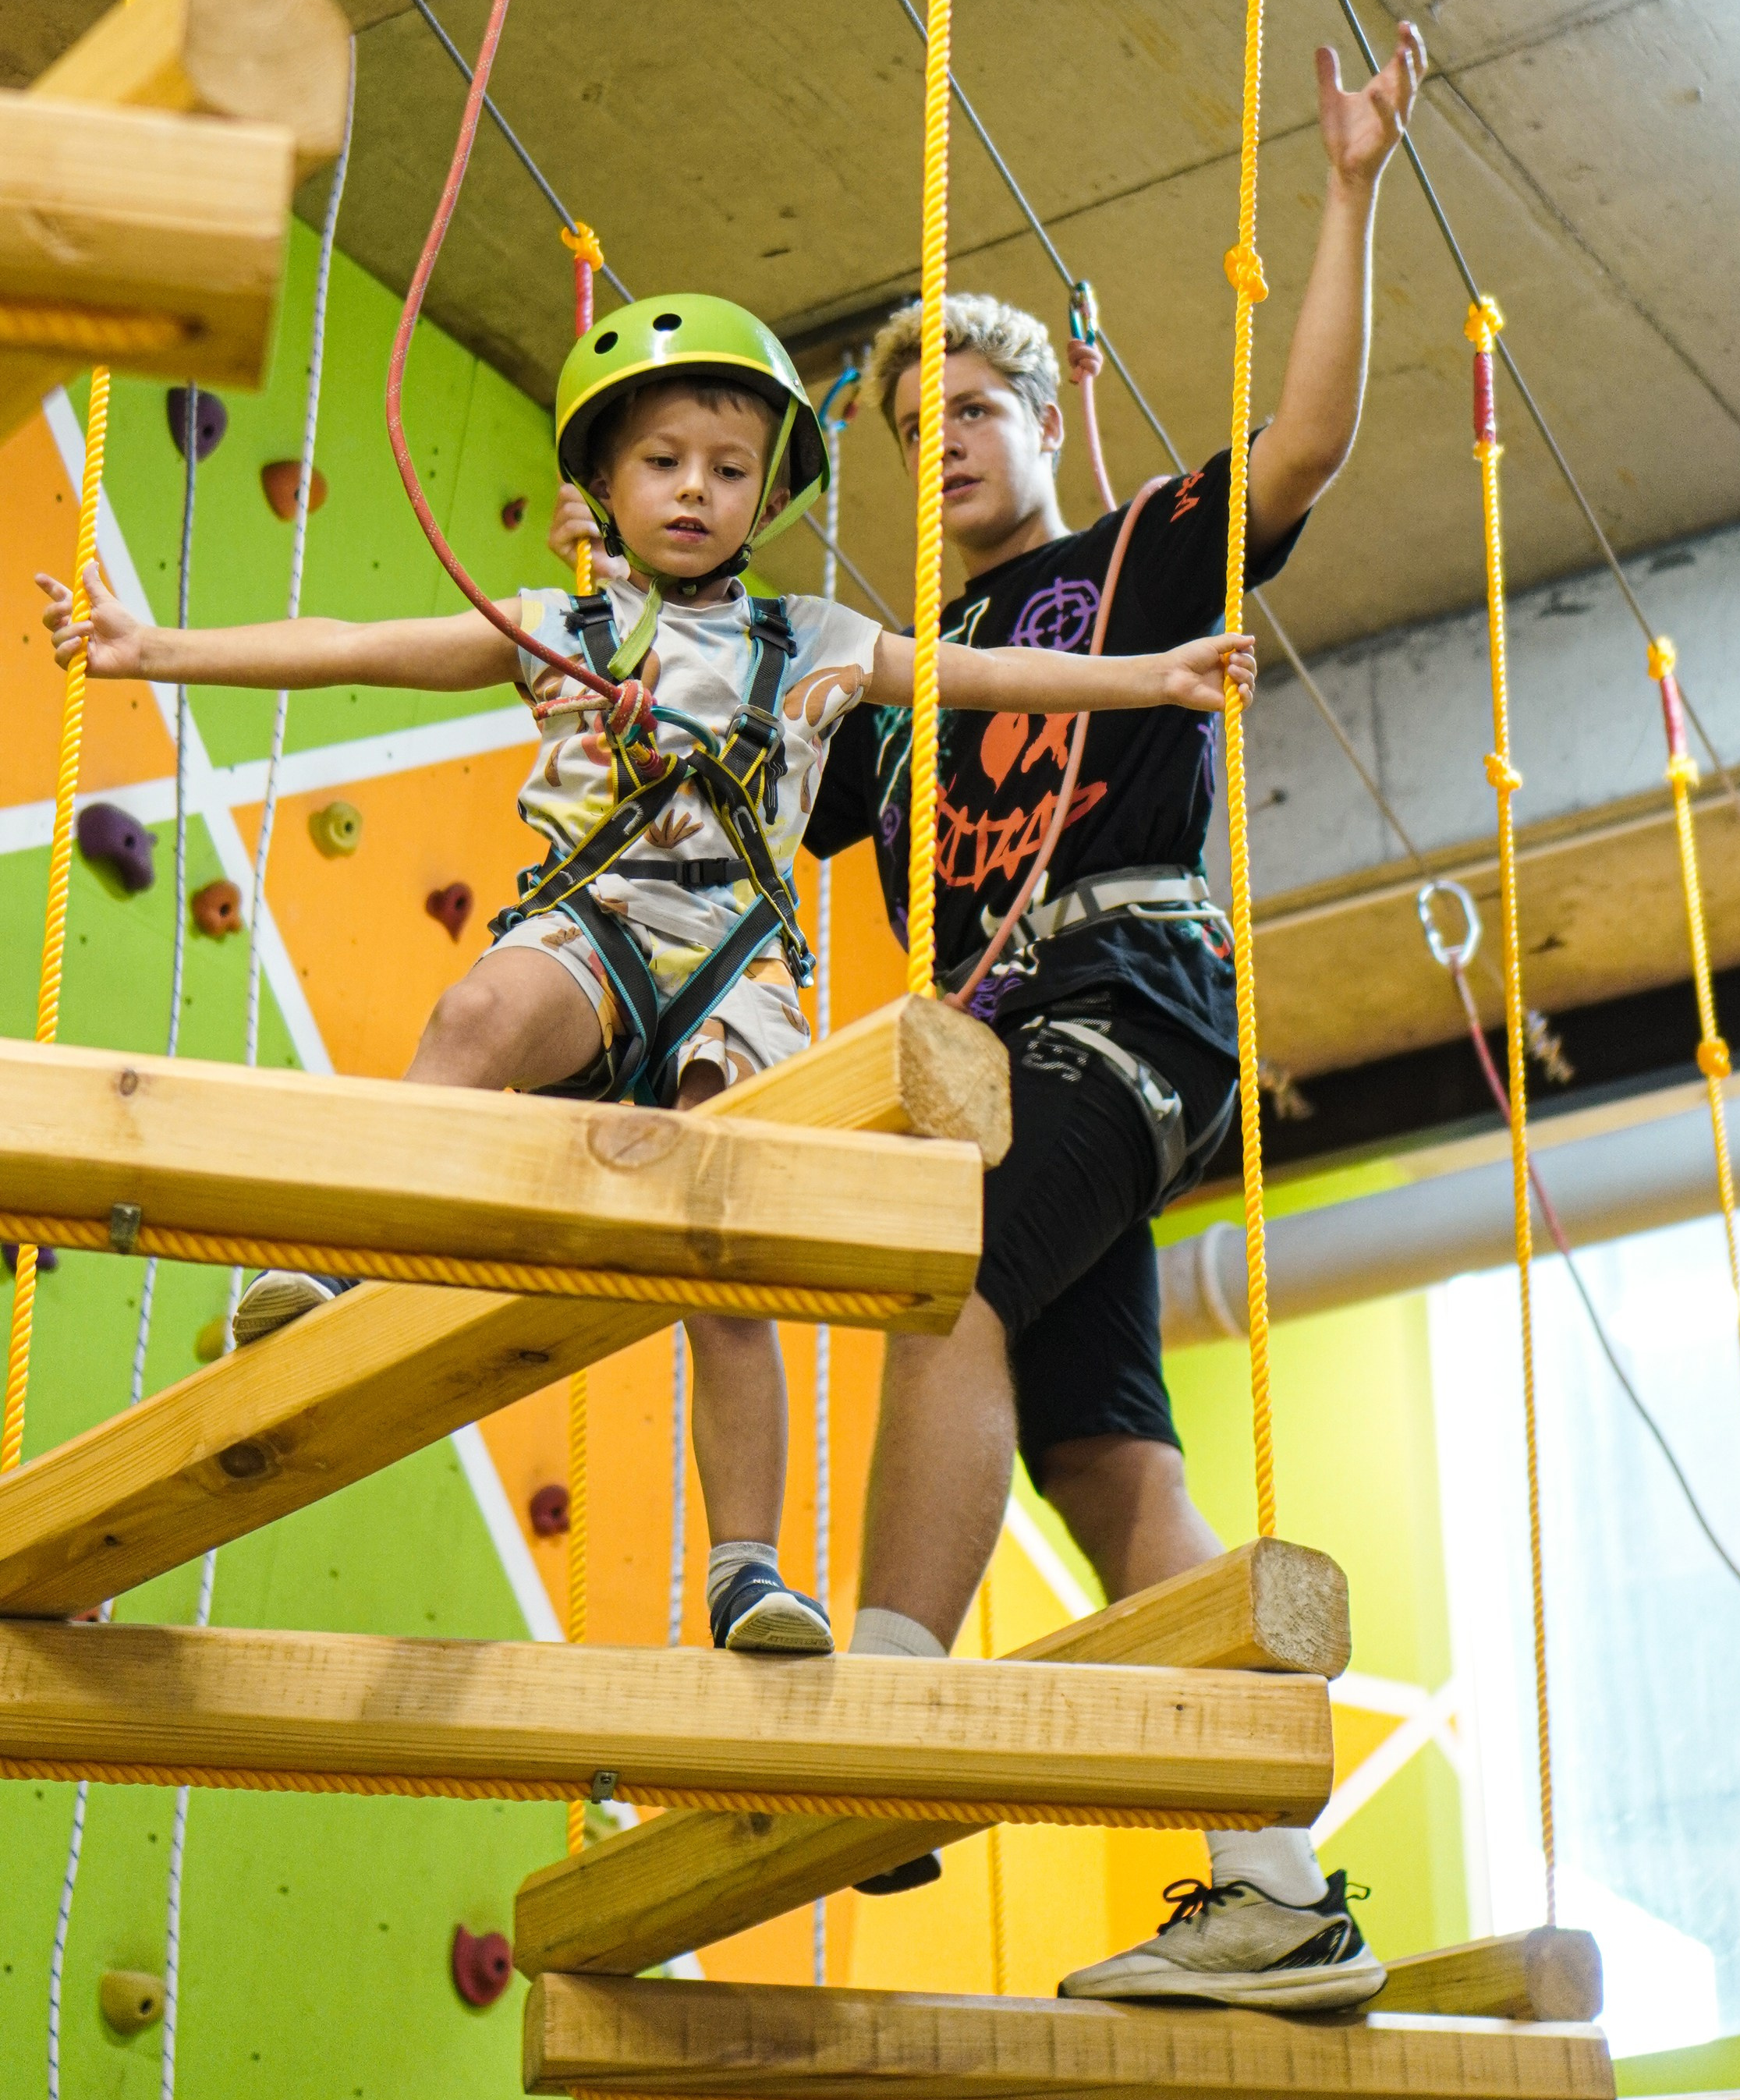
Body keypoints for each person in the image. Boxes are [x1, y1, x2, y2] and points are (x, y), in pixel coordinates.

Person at [40, 292, 1253, 1663]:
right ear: (605, 490)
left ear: (764, 494)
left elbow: (982, 672)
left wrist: (1153, 676)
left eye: (729, 472)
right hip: (599, 928)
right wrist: (159, 649)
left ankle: (744, 1569)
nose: (695, 492)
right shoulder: (564, 627)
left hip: (733, 974)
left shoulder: (820, 642)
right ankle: (339, 1260)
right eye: (663, 465)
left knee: (718, 1248)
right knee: (475, 1013)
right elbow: (357, 645)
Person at [797, 23, 1424, 2006]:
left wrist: (1343, 191)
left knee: (944, 1285)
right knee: (1105, 1464)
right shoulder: (910, 663)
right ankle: (1275, 1886)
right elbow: (746, 786)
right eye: (927, 428)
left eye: (979, 403)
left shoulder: (1128, 555)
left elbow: (1307, 446)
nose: (954, 440)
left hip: (1125, 974)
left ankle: (890, 1701)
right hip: (1001, 1035)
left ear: (1046, 406)